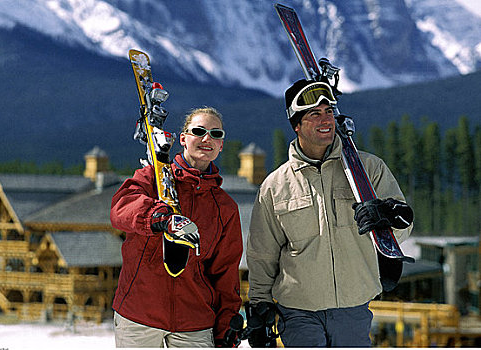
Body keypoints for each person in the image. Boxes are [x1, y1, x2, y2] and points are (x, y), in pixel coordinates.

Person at [246, 80, 414, 347]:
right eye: (314, 114)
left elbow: (400, 232)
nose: (325, 119)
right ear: (296, 125)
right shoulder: (275, 186)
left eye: (328, 112)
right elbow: (262, 253)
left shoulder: (368, 170)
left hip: (353, 306)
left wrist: (388, 216)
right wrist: (259, 303)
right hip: (298, 309)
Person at [111, 107, 243, 347]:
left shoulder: (225, 207)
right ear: (183, 139)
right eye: (199, 131)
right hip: (139, 313)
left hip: (194, 320)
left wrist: (226, 325)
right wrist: (159, 217)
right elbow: (121, 208)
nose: (207, 139)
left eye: (216, 134)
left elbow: (226, 272)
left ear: (221, 145)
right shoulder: (154, 179)